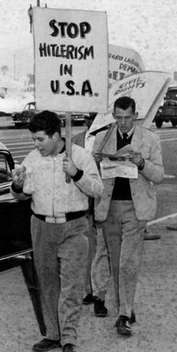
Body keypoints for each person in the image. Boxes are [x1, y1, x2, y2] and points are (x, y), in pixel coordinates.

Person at [11, 110, 104, 352]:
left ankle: (69, 340)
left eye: (40, 139)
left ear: (55, 136)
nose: (35, 145)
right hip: (41, 227)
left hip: (74, 227)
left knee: (72, 286)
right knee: (48, 283)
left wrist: (76, 173)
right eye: (33, 140)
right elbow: (21, 194)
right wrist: (17, 184)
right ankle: (53, 333)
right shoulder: (33, 158)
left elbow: (97, 189)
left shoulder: (81, 156)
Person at [93, 96, 164, 336]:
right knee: (115, 262)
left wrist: (142, 163)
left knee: (127, 262)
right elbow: (93, 175)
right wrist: (95, 162)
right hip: (110, 207)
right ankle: (126, 306)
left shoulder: (150, 139)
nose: (122, 122)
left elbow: (159, 175)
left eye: (127, 117)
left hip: (136, 209)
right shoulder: (102, 140)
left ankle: (124, 314)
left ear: (136, 115)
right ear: (113, 115)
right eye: (118, 117)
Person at [73, 113, 111, 317]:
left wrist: (100, 163)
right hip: (82, 203)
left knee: (101, 250)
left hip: (102, 201)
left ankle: (99, 294)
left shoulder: (109, 139)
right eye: (92, 119)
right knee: (85, 249)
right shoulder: (75, 140)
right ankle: (88, 289)